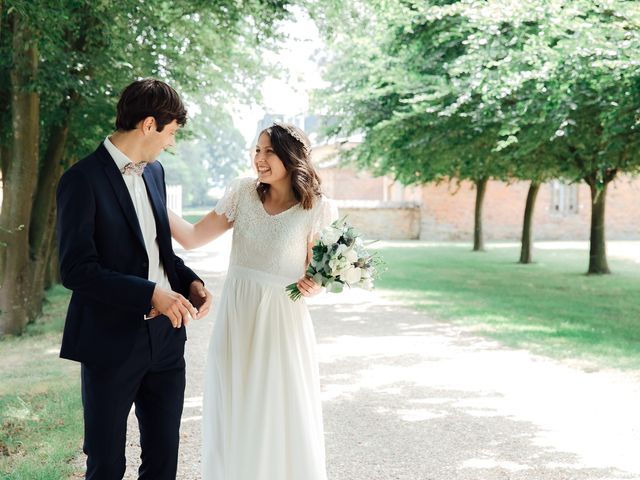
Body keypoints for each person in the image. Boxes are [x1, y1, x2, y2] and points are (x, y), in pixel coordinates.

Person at [56, 78, 213, 480]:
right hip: (110, 341)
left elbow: (159, 251)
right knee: (107, 464)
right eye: (171, 133)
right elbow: (76, 269)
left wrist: (189, 281)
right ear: (148, 125)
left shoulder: (155, 173)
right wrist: (150, 295)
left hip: (166, 340)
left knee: (163, 463)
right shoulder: (81, 180)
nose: (170, 143)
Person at [168, 122, 338, 480]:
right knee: (236, 404)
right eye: (257, 150)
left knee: (278, 409)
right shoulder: (243, 194)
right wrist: (146, 195)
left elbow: (319, 273)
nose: (259, 159)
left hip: (281, 322)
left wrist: (315, 286)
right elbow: (193, 237)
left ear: (291, 158)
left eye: (269, 151)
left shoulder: (316, 207)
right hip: (238, 317)